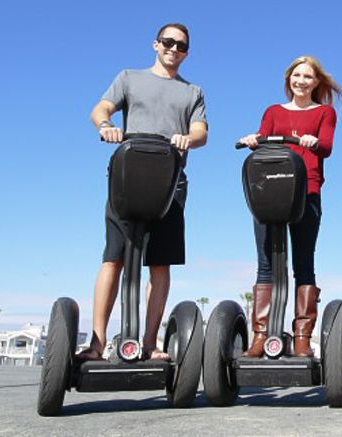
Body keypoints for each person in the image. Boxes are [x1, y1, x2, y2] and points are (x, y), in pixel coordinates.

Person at [77, 23, 208, 361]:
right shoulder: (130, 78)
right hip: (128, 178)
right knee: (114, 258)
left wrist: (188, 139)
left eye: (180, 46)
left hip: (170, 183)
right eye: (168, 42)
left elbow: (201, 131)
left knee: (160, 263)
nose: (173, 49)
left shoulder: (192, 92)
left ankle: (150, 344)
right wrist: (106, 126)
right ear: (155, 44)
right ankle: (96, 344)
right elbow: (100, 108)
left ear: (187, 52)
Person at [237, 55, 341, 357]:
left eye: (308, 77)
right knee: (266, 264)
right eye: (297, 76)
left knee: (303, 264)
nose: (301, 81)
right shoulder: (273, 111)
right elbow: (264, 138)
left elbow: (327, 146)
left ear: (316, 82)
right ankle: (261, 336)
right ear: (289, 80)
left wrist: (313, 141)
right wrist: (254, 140)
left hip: (306, 190)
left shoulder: (325, 112)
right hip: (269, 191)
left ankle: (301, 338)